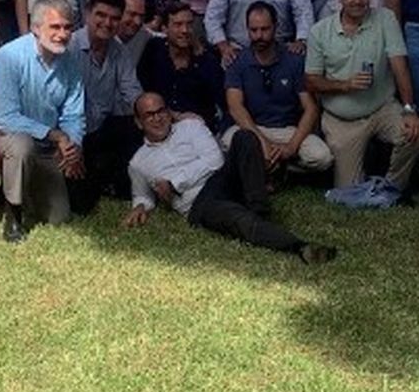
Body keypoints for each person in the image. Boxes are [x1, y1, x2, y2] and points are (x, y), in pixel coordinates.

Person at [125, 92, 334, 265]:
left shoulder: (191, 127)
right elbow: (142, 194)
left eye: (161, 111)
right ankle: (300, 247)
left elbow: (214, 160)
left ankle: (259, 211)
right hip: (199, 203)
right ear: (138, 122)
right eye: (149, 115)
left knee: (244, 137)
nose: (157, 118)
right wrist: (140, 206)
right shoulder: (139, 162)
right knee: (236, 218)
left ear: (168, 112)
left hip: (223, 179)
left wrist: (174, 182)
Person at [304, 0, 419, 192]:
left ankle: (391, 189)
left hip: (382, 108)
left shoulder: (385, 19)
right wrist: (345, 85)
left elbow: (400, 67)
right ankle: (363, 186)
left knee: (414, 133)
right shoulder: (320, 31)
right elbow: (311, 81)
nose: (357, 1)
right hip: (342, 119)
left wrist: (409, 109)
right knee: (348, 191)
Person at [0, 0, 88, 241]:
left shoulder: (71, 63)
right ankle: (13, 215)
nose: (62, 34)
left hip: (45, 142)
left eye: (67, 27)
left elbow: (74, 113)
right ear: (35, 28)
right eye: (55, 27)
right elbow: (5, 117)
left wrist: (72, 145)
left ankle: (13, 188)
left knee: (59, 217)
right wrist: (55, 134)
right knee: (21, 145)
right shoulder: (8, 56)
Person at [223, 1, 333, 177]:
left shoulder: (294, 60)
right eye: (254, 30)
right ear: (247, 29)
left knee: (322, 157)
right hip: (252, 128)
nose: (259, 35)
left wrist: (291, 147)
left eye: (265, 29)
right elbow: (236, 108)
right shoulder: (237, 62)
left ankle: (274, 167)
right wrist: (262, 142)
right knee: (229, 142)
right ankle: (276, 167)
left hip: (287, 130)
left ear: (276, 27)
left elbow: (311, 109)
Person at [68, 0, 144, 207]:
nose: (107, 23)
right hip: (72, 132)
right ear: (87, 14)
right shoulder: (70, 48)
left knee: (135, 126)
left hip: (101, 129)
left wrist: (149, 114)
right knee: (80, 204)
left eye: (114, 18)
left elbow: (132, 91)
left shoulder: (119, 50)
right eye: (101, 15)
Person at [137, 2, 227, 130]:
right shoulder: (154, 50)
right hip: (159, 127)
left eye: (189, 24)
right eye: (178, 25)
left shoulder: (207, 60)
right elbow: (142, 90)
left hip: (199, 129)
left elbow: (222, 101)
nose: (185, 30)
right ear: (164, 29)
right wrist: (174, 115)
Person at [115, 0, 155, 67]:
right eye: (132, 14)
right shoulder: (98, 36)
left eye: (141, 16)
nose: (138, 21)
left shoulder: (143, 35)